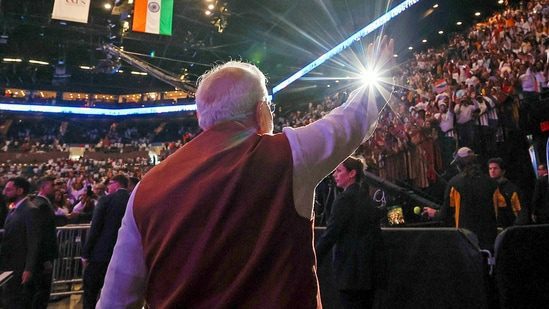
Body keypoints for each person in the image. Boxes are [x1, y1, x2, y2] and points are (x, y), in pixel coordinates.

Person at [97, 37, 394, 308]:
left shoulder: (146, 188)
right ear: (261, 109)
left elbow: (116, 299)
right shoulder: (287, 155)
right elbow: (353, 120)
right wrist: (380, 66)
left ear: (203, 116)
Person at [316, 157, 385, 309]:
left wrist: (313, 259)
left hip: (351, 273)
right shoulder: (366, 198)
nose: (334, 174)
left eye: (339, 170)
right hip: (369, 272)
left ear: (352, 173)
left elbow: (331, 234)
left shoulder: (344, 199)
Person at [425, 147, 499, 251]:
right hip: (490, 240)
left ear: (459, 165)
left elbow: (445, 214)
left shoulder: (455, 184)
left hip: (466, 240)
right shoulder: (491, 183)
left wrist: (434, 213)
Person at [82, 175, 130, 309]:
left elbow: (95, 228)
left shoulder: (106, 200)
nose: (108, 187)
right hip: (124, 256)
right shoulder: (133, 200)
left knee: (91, 293)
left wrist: (86, 253)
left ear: (117, 184)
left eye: (110, 184)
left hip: (100, 255)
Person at [0, 177, 41, 308]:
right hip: (10, 263)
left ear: (19, 191)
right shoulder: (15, 209)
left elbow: (33, 241)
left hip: (19, 265)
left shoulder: (30, 210)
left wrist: (28, 268)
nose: (4, 192)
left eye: (8, 189)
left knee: (15, 301)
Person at [30, 176, 59, 309]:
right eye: (52, 186)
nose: (55, 188)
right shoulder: (42, 205)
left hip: (38, 258)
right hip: (42, 259)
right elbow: (42, 236)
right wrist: (46, 260)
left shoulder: (37, 202)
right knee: (41, 292)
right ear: (43, 188)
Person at [488, 157, 527, 227]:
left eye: (495, 168)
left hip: (509, 227)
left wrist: (517, 226)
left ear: (503, 171)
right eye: (490, 168)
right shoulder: (487, 188)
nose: (492, 171)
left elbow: (521, 210)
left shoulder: (511, 189)